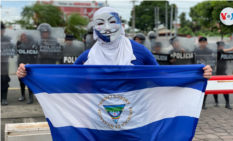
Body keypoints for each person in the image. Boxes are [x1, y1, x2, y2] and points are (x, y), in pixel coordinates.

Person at [16, 7, 212, 86]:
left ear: (122, 26)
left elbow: (160, 78)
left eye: (112, 21)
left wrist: (196, 74)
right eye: (101, 23)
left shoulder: (140, 51)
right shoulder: (86, 57)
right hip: (97, 119)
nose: (107, 28)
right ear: (94, 29)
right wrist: (29, 73)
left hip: (135, 118)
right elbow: (68, 81)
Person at [213, 41, 233, 109]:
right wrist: (230, 49)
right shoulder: (216, 52)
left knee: (225, 88)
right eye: (220, 46)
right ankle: (216, 101)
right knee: (214, 89)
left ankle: (227, 103)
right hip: (216, 73)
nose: (221, 47)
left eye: (223, 45)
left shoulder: (226, 54)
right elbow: (220, 51)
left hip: (223, 73)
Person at [16, 33, 37, 104]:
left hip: (30, 63)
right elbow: (17, 51)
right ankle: (23, 95)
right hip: (21, 62)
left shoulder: (33, 43)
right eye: (22, 37)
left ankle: (30, 97)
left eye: (25, 36)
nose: (24, 38)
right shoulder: (19, 43)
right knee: (21, 80)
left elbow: (35, 54)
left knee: (29, 80)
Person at [194, 37, 214, 109]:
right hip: (197, 71)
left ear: (206, 43)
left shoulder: (209, 51)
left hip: (206, 70)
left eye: (204, 42)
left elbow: (212, 60)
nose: (203, 43)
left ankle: (203, 103)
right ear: (199, 43)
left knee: (205, 87)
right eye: (201, 42)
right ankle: (197, 103)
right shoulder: (195, 50)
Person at [0, 22, 12, 105]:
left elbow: (13, 49)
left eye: (1, 30)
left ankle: (4, 98)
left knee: (4, 80)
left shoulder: (8, 39)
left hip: (4, 63)